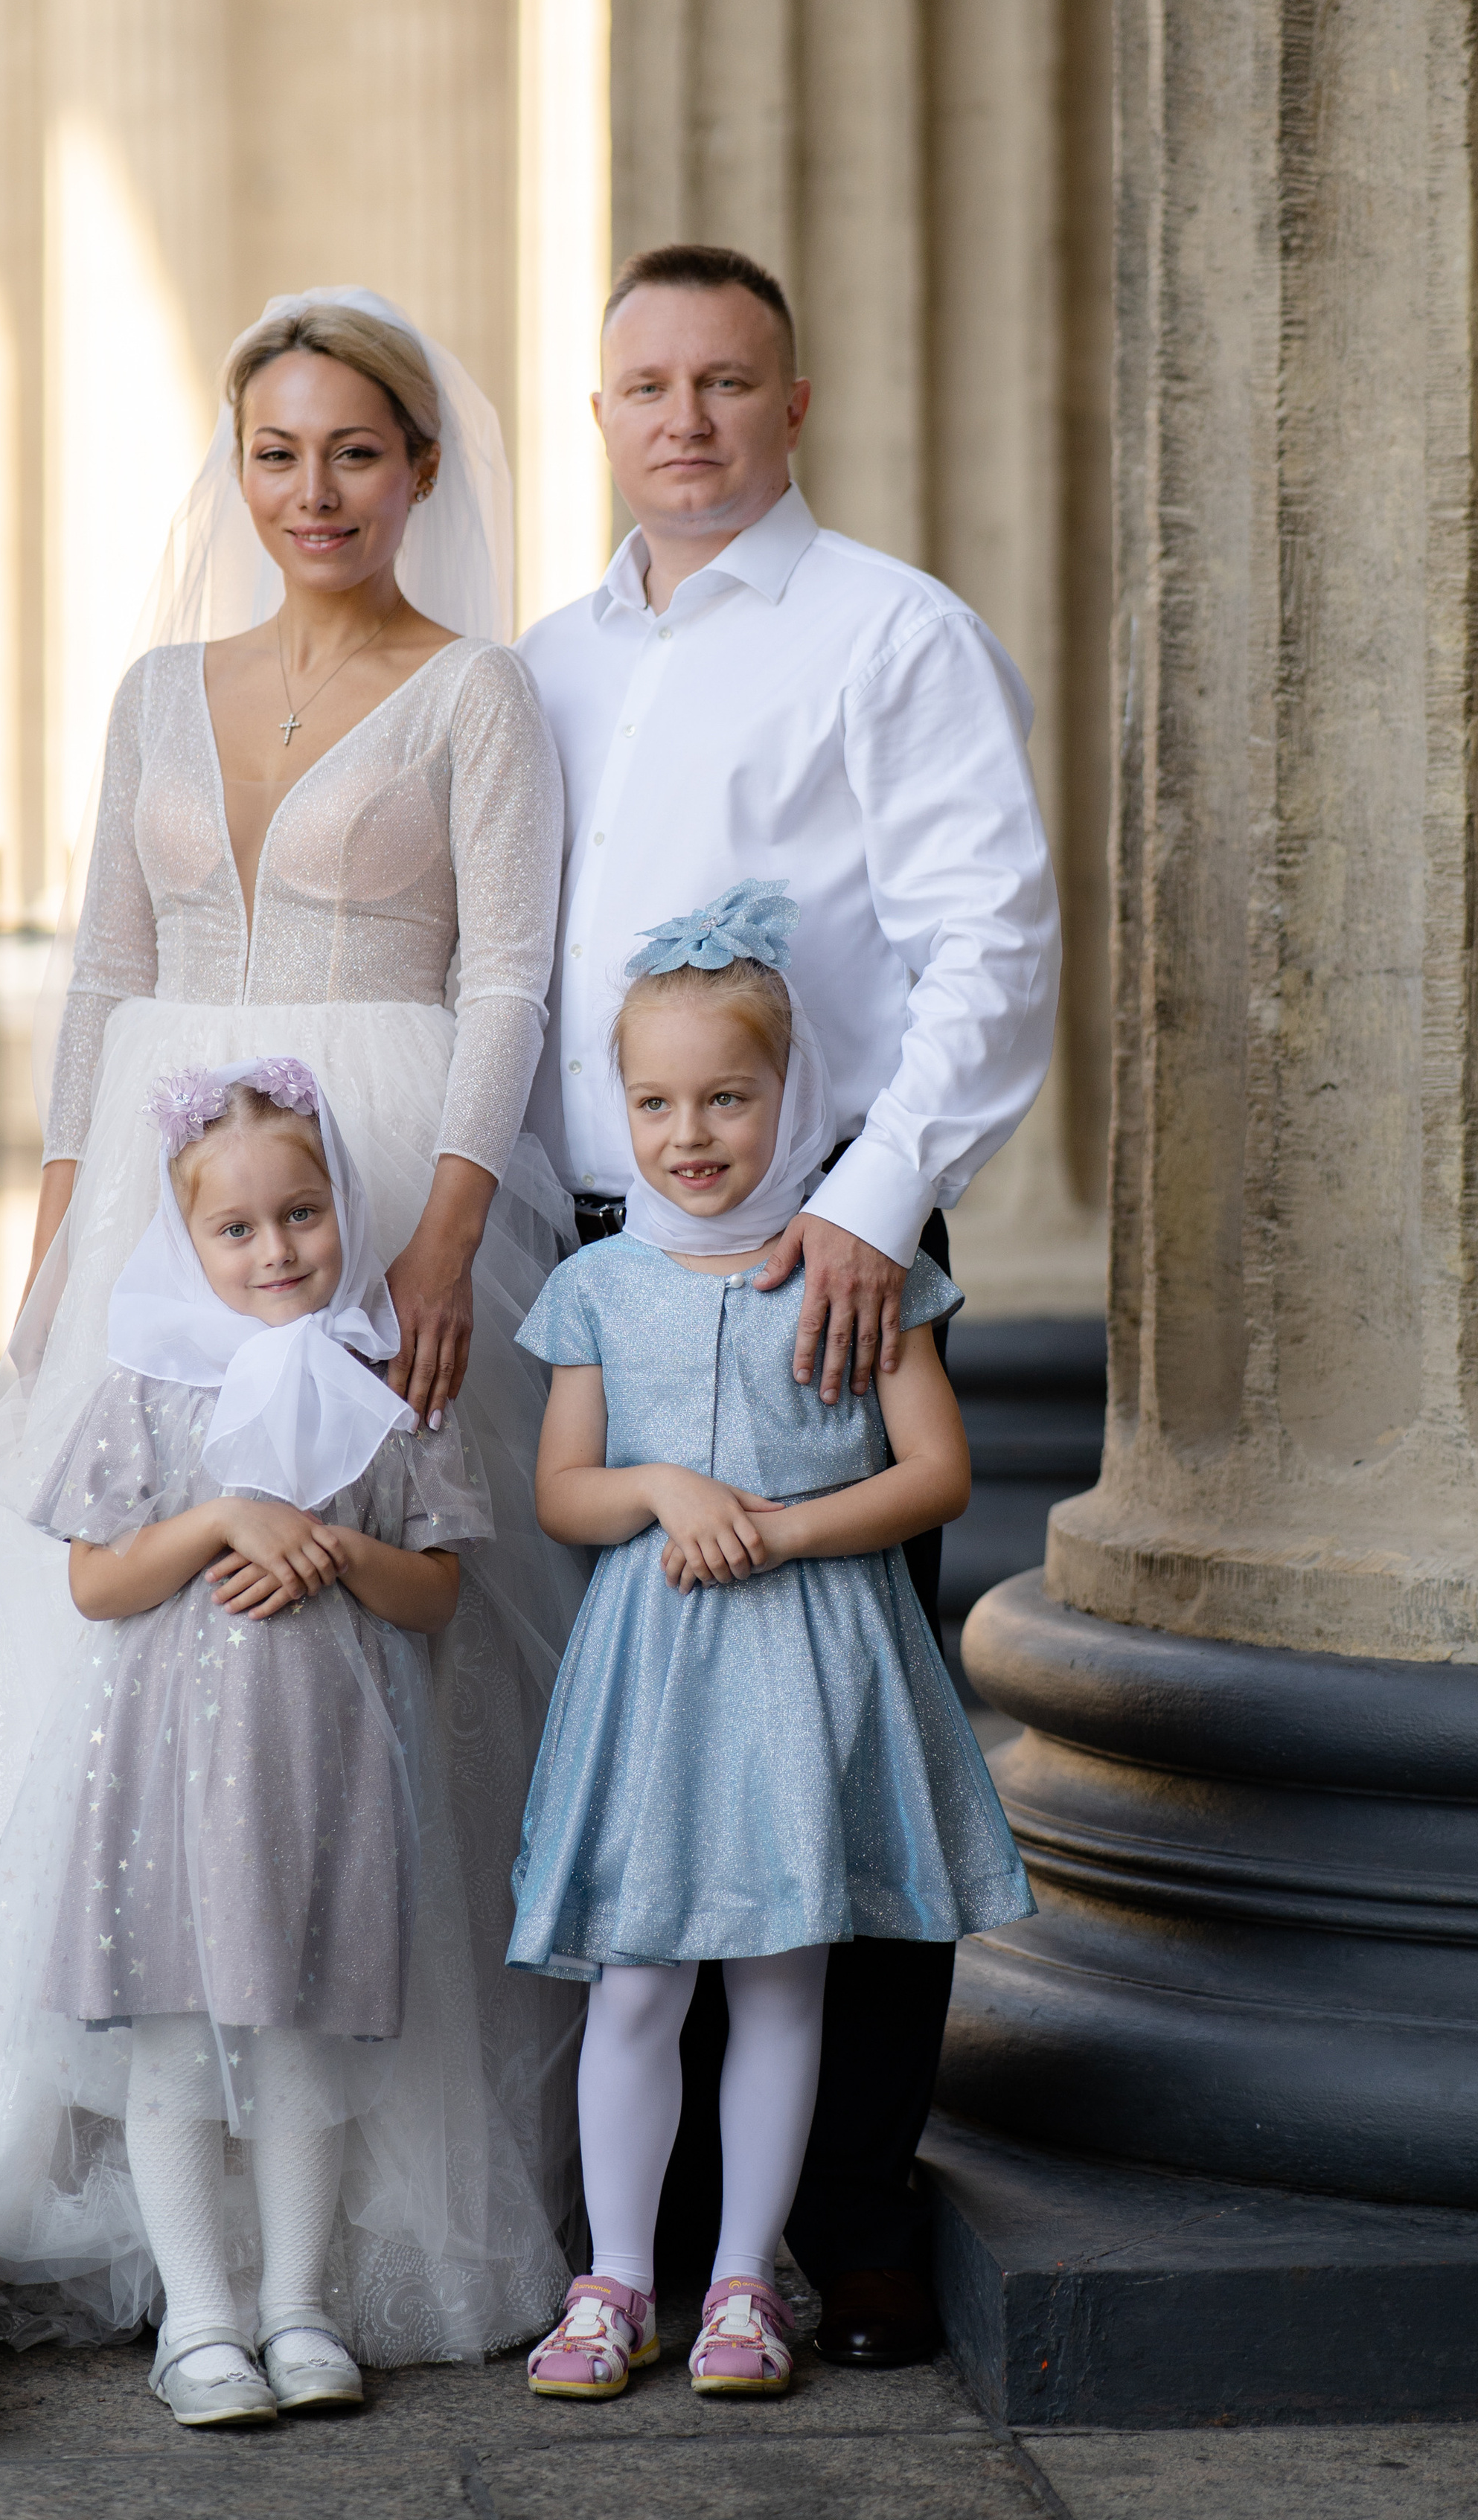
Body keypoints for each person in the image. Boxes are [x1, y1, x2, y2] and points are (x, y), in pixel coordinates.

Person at [0, 292, 588, 2366]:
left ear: (421, 469)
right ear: (237, 470)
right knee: (108, 1633)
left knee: (394, 1633)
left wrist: (446, 1232)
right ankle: (105, 2122)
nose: (312, 491)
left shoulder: (476, 692)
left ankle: (377, 2192)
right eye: (276, 452)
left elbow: (508, 978)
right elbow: (100, 971)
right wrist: (59, 1251)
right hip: (168, 1182)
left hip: (382, 1178)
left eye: (354, 452)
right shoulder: (156, 690)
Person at [519, 244, 1060, 2367]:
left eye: (726, 383)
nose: (686, 420)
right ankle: (629, 2238)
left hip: (828, 1250)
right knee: (651, 1741)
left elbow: (986, 948)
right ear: (600, 416)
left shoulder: (890, 637)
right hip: (611, 1256)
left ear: (793, 403)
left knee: (853, 1720)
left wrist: (875, 1202)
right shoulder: (550, 663)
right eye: (646, 385)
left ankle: (851, 2210)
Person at [508, 888, 1031, 2401]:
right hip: (658, 1673)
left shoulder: (858, 1273)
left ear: (789, 1095)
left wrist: (788, 1527)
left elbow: (933, 1474)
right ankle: (615, 2279)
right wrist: (666, 1490)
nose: (690, 1134)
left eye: (727, 1097)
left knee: (786, 1980)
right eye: (655, 1101)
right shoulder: (597, 1288)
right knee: (638, 1983)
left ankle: (748, 2282)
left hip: (811, 1662)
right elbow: (562, 1489)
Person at [11, 1057, 508, 2423]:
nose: (275, 1250)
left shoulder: (387, 1381)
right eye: (234, 1229)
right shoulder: (148, 1384)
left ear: (341, 1207)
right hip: (171, 1775)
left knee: (302, 2039)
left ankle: (297, 2307)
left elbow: (439, 1591)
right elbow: (99, 1582)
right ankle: (204, 2320)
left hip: (326, 1770)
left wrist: (339, 1550)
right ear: (186, 1240)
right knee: (175, 2038)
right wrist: (227, 1519)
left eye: (302, 1214)